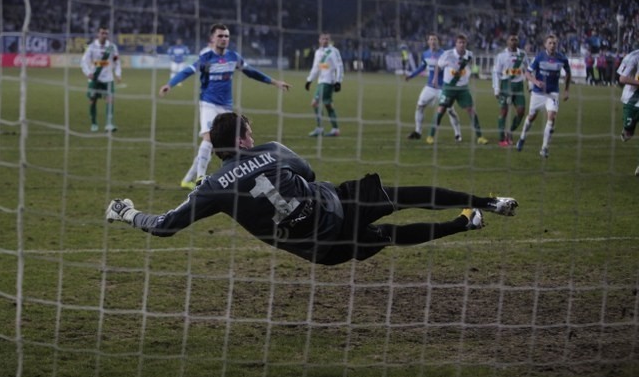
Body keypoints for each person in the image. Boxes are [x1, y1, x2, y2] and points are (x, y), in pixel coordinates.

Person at [106, 112, 518, 266]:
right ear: (246, 140)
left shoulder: (212, 188)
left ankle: (465, 223)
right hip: (336, 206)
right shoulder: (271, 150)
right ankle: (486, 202)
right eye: (250, 130)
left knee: (388, 238)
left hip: (319, 250)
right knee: (404, 195)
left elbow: (162, 225)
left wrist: (128, 212)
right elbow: (308, 168)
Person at [159, 23, 290, 190]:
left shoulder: (233, 57)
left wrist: (275, 82)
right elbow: (187, 71)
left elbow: (252, 72)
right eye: (220, 36)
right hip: (208, 103)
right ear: (212, 39)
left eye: (226, 36)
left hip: (226, 106)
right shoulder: (206, 59)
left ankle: (187, 179)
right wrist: (170, 84)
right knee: (209, 137)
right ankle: (200, 178)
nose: (224, 39)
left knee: (216, 144)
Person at [515, 34, 571, 158]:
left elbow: (568, 73)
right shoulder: (539, 57)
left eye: (554, 43)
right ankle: (522, 137)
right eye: (550, 43)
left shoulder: (562, 58)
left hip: (553, 93)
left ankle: (544, 148)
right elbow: (528, 73)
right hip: (538, 93)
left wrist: (566, 90)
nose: (552, 45)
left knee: (551, 117)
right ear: (545, 45)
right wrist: (535, 82)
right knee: (531, 117)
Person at [427, 34, 488, 145]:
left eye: (463, 42)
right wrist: (435, 79)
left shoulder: (470, 55)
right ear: (456, 44)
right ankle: (431, 136)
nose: (461, 45)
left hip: (463, 89)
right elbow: (438, 66)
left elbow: (472, 67)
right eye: (459, 42)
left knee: (471, 111)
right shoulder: (448, 54)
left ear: (466, 44)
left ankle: (480, 137)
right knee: (441, 110)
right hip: (449, 87)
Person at [404, 33, 461, 141]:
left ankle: (457, 134)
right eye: (431, 39)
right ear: (428, 42)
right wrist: (411, 76)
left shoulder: (445, 54)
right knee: (420, 106)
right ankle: (418, 132)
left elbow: (452, 68)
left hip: (443, 88)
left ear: (438, 41)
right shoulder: (425, 54)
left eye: (435, 39)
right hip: (429, 87)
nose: (433, 41)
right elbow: (421, 68)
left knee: (450, 111)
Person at [81, 26, 122, 132]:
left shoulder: (112, 47)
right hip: (95, 78)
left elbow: (116, 61)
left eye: (106, 33)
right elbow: (84, 61)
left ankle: (109, 124)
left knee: (110, 100)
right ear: (98, 34)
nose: (104, 35)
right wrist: (88, 73)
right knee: (92, 101)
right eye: (102, 33)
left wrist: (118, 74)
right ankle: (94, 123)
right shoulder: (91, 47)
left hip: (108, 78)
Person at [492, 34, 529, 147]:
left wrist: (530, 83)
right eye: (511, 39)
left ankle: (510, 131)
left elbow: (528, 69)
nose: (513, 41)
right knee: (504, 112)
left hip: (518, 86)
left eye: (515, 40)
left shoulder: (522, 54)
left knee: (521, 112)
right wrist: (496, 88)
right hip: (505, 85)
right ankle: (501, 138)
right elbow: (496, 73)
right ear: (507, 42)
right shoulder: (501, 56)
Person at [305, 33, 344, 137]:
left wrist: (338, 81)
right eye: (323, 39)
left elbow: (339, 66)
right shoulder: (318, 52)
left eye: (327, 39)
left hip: (328, 82)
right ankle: (335, 129)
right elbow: (316, 68)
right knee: (328, 105)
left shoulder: (333, 51)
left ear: (330, 40)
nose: (325, 41)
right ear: (319, 40)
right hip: (321, 82)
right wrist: (309, 80)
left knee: (315, 103)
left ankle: (320, 128)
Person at [615, 47, 639, 176]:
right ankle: (626, 130)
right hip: (631, 100)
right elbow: (622, 79)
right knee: (628, 133)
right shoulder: (633, 57)